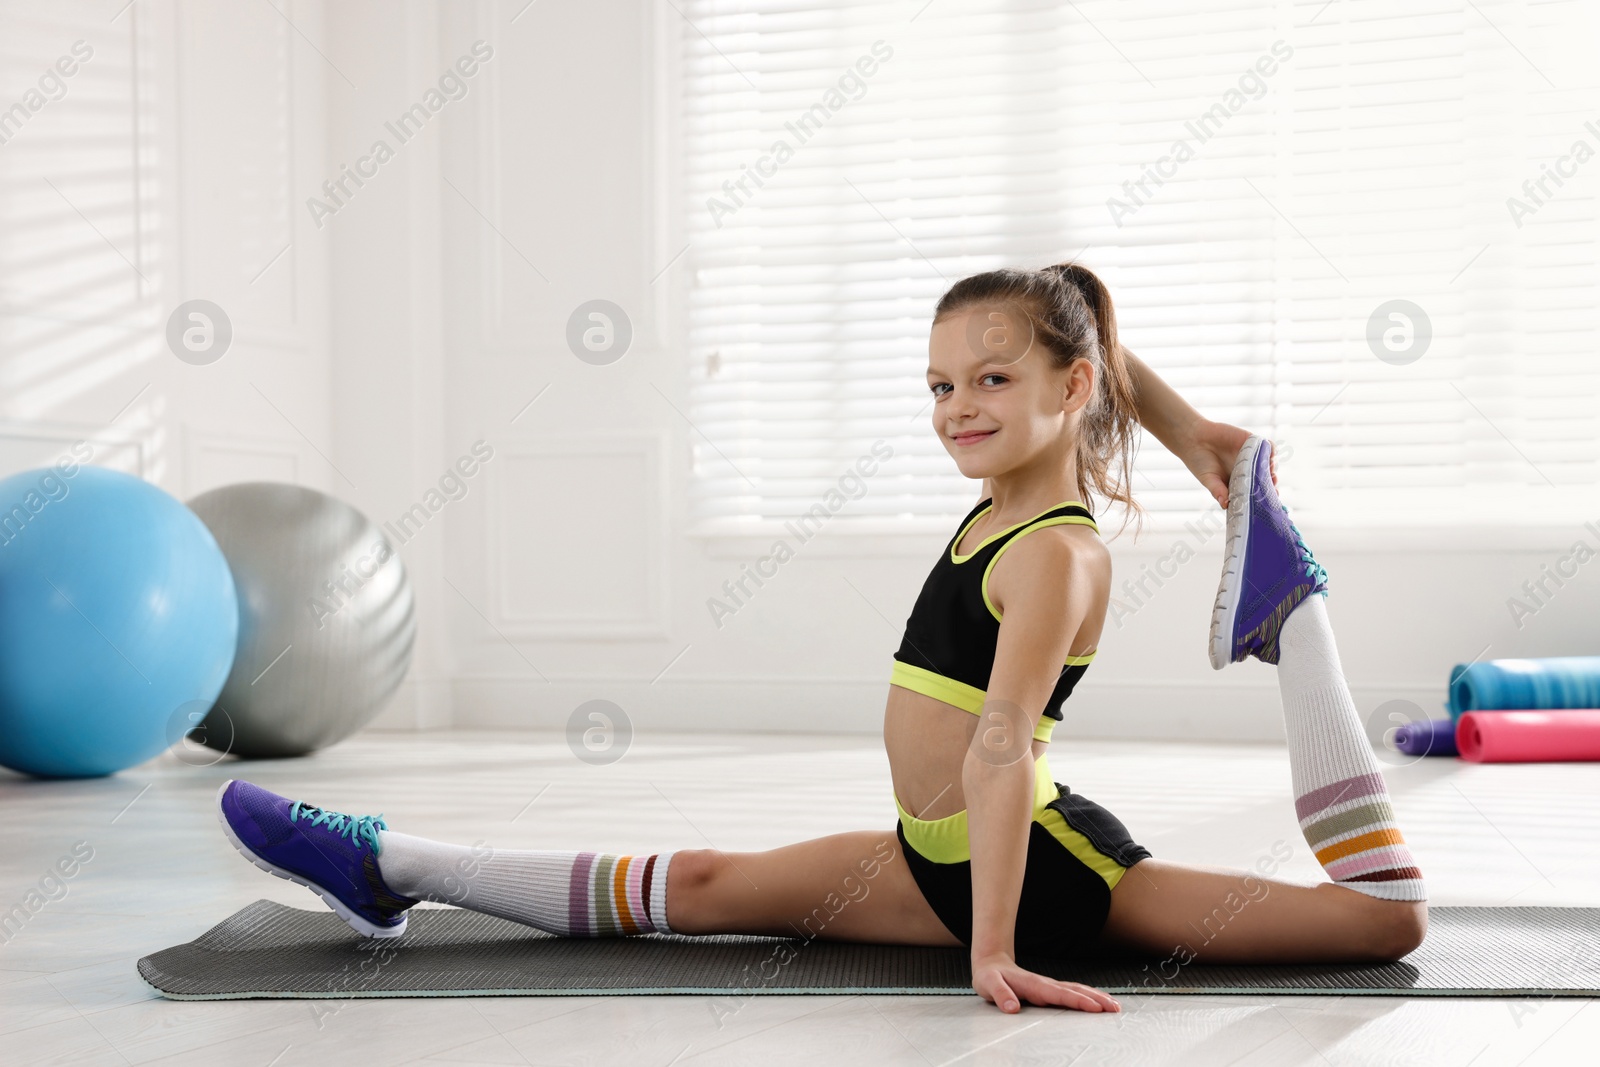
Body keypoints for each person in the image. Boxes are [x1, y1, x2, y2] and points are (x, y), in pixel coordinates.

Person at [213, 262, 1426, 1015]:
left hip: (1044, 876)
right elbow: (1087, 335)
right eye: (941, 384)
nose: (959, 406)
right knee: (700, 884)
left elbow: (1001, 744)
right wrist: (1197, 434)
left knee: (1380, 925)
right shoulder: (1005, 499)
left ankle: (1292, 610)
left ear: (1067, 388)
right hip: (931, 852)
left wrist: (991, 947)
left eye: (992, 380)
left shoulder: (1057, 549)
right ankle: (390, 863)